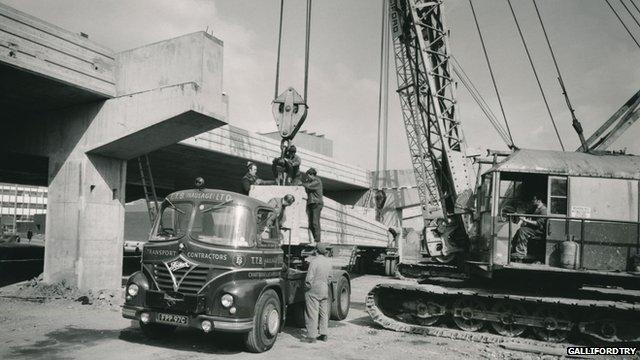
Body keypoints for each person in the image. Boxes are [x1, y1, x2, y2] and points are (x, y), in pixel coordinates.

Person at [304, 242, 332, 343]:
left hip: (314, 289)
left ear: (316, 250)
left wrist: (306, 288)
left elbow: (309, 279)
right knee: (324, 312)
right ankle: (324, 334)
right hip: (325, 289)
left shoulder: (314, 262)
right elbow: (330, 278)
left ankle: (311, 336)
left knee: (312, 312)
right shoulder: (328, 262)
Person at [511, 194, 547, 260]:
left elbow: (538, 223)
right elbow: (527, 213)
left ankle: (521, 253)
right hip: (534, 228)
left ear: (539, 201)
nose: (532, 201)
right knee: (519, 230)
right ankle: (514, 249)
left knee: (522, 231)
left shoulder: (543, 210)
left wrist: (525, 220)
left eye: (534, 200)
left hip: (539, 230)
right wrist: (518, 214)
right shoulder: (535, 208)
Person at [302, 168, 323, 243]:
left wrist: (302, 183)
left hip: (316, 203)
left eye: (308, 176)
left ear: (312, 175)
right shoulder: (312, 181)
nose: (307, 177)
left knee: (315, 222)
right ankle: (314, 239)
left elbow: (309, 186)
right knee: (311, 223)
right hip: (312, 203)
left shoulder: (317, 181)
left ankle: (317, 240)